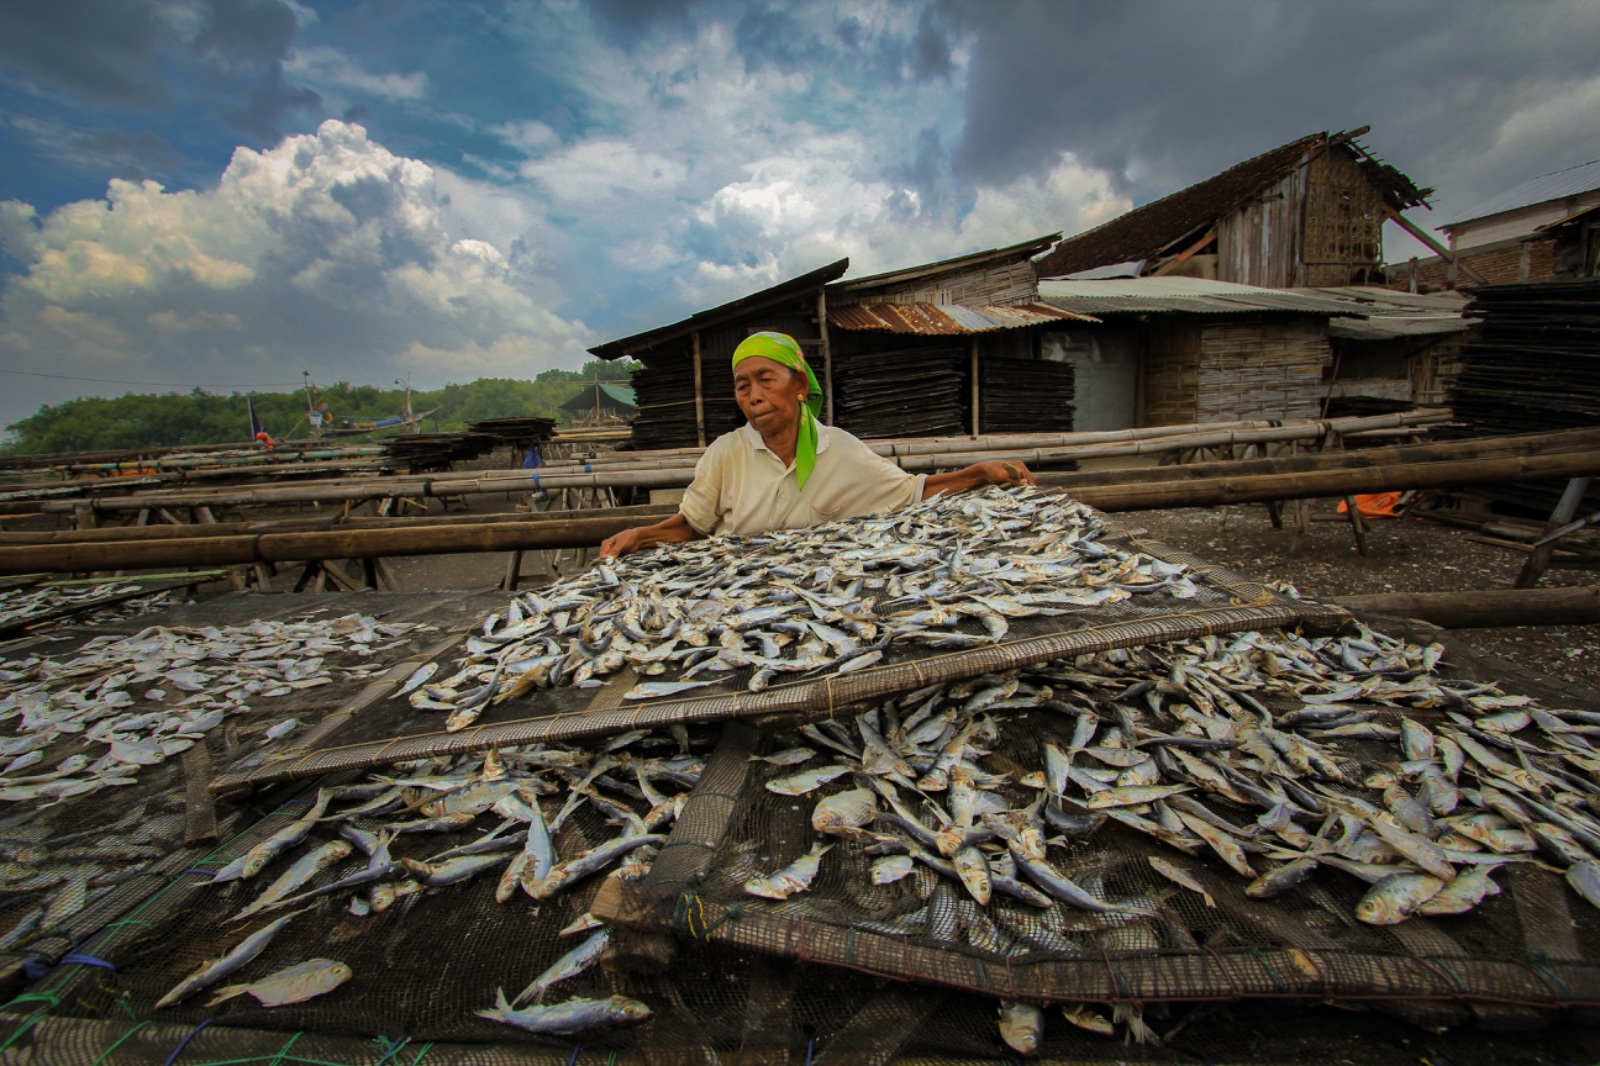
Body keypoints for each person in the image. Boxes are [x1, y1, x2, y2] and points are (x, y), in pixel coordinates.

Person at [599, 331, 1035, 558]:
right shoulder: (727, 453)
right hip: (732, 584)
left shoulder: (841, 450)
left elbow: (912, 493)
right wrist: (641, 535)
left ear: (800, 385)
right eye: (742, 386)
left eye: (766, 380)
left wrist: (979, 473)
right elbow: (691, 527)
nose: (753, 395)